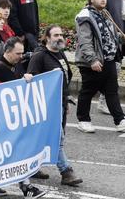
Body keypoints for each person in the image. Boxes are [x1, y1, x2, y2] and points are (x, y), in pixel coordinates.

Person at [0, 38, 47, 199]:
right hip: (2, 122)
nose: (21, 56)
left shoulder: (14, 66)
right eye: (18, 53)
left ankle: (23, 186)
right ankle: (24, 187)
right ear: (7, 52)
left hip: (12, 121)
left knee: (16, 152)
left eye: (22, 52)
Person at [75, 0, 125, 132]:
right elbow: (85, 41)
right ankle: (83, 120)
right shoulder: (84, 16)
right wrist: (92, 60)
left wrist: (122, 38)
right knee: (88, 91)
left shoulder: (105, 13)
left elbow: (109, 34)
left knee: (111, 90)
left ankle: (120, 120)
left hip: (109, 59)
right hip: (93, 62)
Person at [26, 25, 83, 186]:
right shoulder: (39, 56)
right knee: (57, 137)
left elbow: (64, 78)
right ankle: (66, 171)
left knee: (45, 138)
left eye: (61, 35)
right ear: (47, 38)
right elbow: (34, 80)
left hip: (60, 103)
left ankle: (33, 167)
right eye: (56, 35)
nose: (60, 37)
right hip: (47, 105)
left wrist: (66, 99)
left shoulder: (60, 54)